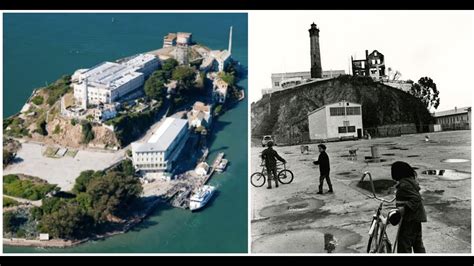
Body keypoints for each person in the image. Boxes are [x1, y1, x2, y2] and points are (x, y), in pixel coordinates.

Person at [391, 161, 427, 253]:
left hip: (409, 219)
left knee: (404, 244)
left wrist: (403, 209)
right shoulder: (410, 181)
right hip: (416, 218)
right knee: (417, 243)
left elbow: (416, 198)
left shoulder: (404, 184)